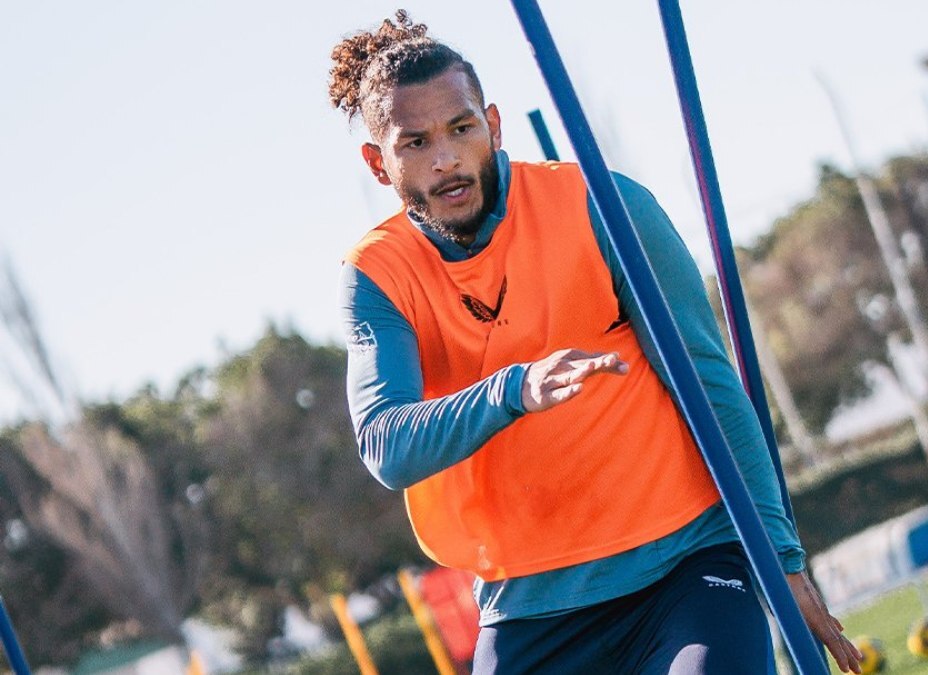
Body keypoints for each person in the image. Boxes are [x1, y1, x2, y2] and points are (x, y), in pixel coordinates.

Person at [327, 10, 861, 673]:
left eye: (461, 129)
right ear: (378, 162)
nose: (446, 160)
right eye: (415, 142)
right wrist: (513, 389)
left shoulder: (601, 205)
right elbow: (386, 442)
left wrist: (782, 561)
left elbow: (709, 379)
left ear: (492, 125)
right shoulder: (377, 275)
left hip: (687, 561)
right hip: (530, 603)